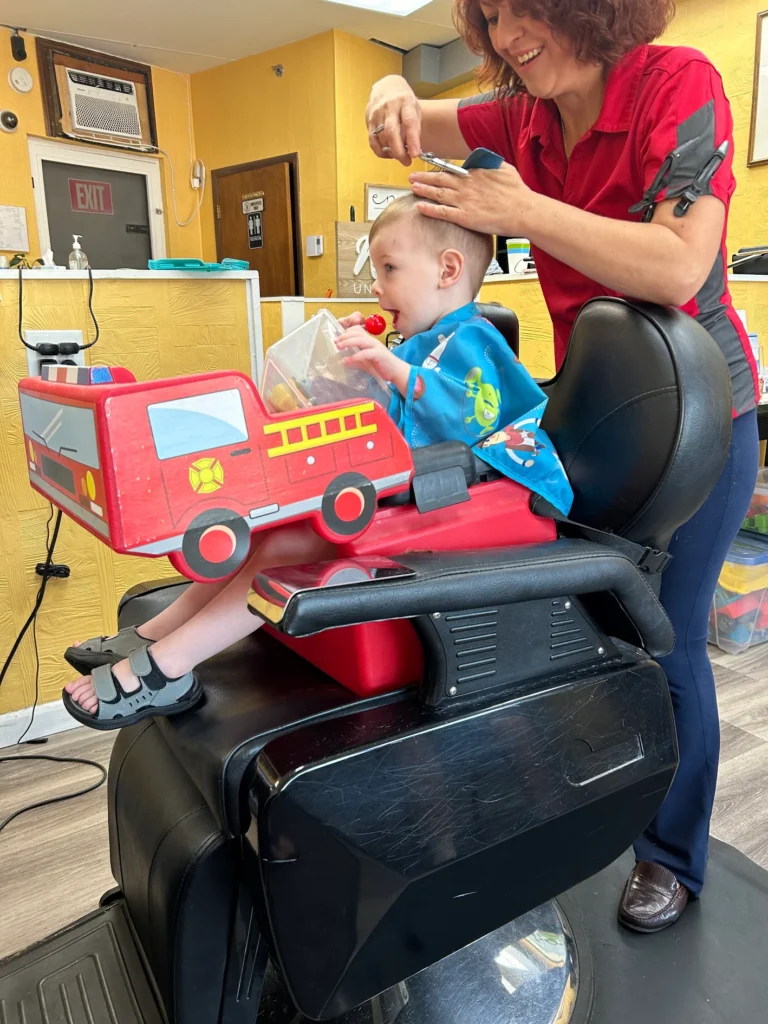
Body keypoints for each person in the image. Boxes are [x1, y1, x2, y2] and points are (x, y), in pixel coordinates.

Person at [363, 0, 761, 933]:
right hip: (593, 412)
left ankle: (671, 858)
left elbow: (674, 265)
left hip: (701, 415)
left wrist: (524, 209)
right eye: (490, 17)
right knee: (580, 616)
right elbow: (413, 113)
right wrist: (389, 88)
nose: (506, 38)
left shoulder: (680, 85)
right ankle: (575, 802)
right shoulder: (523, 116)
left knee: (666, 637)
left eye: (523, 10)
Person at [62, 195, 572, 730]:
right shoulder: (419, 343)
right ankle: (157, 634)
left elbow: (472, 417)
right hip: (425, 488)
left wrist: (394, 369)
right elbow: (386, 423)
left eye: (389, 269)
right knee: (267, 533)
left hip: (482, 498)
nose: (377, 286)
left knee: (288, 543)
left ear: (448, 269)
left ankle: (168, 667)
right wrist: (344, 369)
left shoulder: (474, 337)